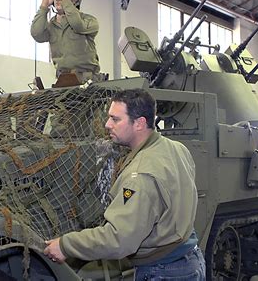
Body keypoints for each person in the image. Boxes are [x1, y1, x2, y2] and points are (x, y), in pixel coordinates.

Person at [44, 89, 206, 280]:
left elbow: (118, 239)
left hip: (163, 271)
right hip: (190, 259)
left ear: (139, 123)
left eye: (115, 119)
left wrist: (65, 245)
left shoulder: (140, 176)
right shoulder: (177, 149)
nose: (107, 124)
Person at [30, 0, 101, 84]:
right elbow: (37, 34)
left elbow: (78, 25)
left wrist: (66, 1)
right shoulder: (51, 25)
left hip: (88, 81)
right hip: (63, 81)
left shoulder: (89, 20)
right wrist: (44, 6)